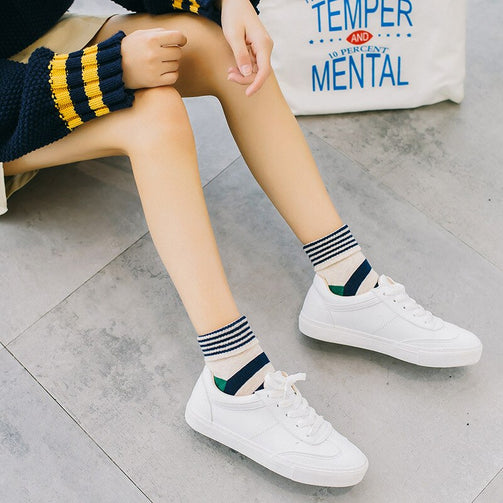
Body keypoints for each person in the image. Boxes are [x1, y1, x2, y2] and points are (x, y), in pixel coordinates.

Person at [0, 0, 483, 488]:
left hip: (33, 42)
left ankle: (346, 282)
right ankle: (233, 379)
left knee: (219, 46)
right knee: (155, 114)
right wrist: (97, 75)